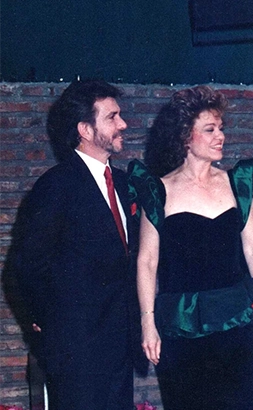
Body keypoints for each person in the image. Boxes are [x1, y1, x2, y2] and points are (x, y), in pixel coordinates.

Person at [133, 85, 253, 410]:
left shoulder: (236, 184)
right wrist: (147, 323)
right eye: (210, 129)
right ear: (186, 137)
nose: (220, 136)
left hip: (235, 323)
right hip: (181, 329)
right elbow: (147, 261)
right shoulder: (158, 191)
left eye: (221, 128)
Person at [13, 79, 138, 409]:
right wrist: (54, 324)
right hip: (77, 352)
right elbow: (27, 265)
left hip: (121, 345)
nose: (123, 124)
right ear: (85, 129)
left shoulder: (125, 184)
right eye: (112, 117)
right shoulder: (56, 186)